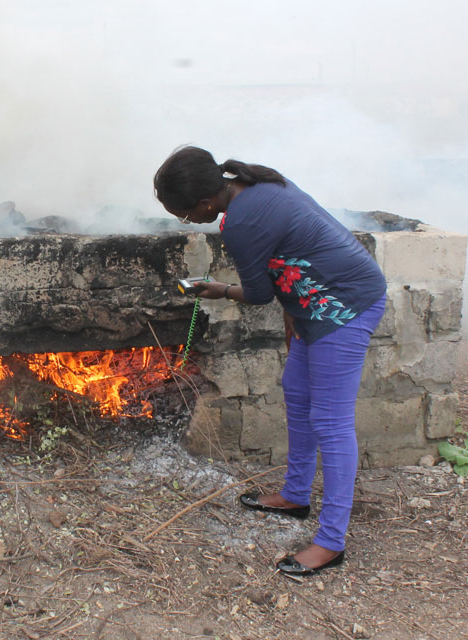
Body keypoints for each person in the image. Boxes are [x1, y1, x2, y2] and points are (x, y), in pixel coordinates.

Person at [154, 146, 387, 576]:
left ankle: (331, 542)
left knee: (331, 423)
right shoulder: (253, 185)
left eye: (185, 215)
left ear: (205, 203)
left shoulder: (242, 220)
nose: (188, 222)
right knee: (297, 395)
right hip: (312, 306)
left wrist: (219, 289)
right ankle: (296, 495)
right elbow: (292, 253)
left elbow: (259, 292)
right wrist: (292, 312)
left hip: (344, 305)